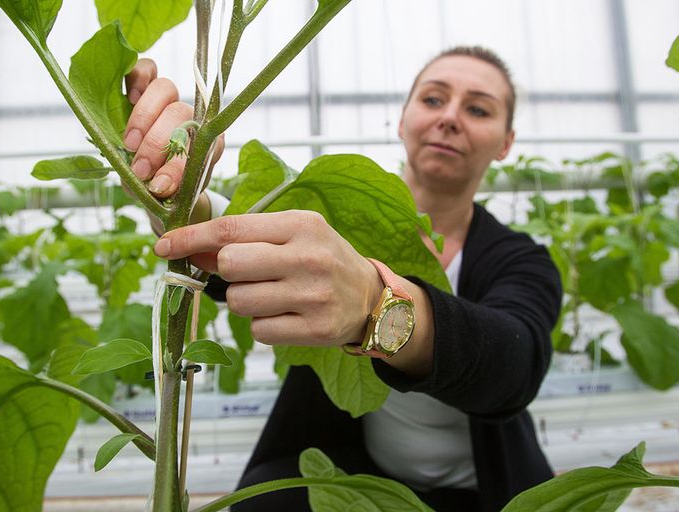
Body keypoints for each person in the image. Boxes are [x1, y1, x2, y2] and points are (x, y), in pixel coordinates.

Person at [123, 46, 562, 512]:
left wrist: (376, 304)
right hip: (351, 474)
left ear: (506, 142)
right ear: (402, 119)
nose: (450, 117)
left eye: (478, 109)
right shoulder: (338, 226)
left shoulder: (520, 259)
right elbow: (237, 260)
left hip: (486, 493)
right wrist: (180, 197)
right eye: (433, 99)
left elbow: (515, 362)